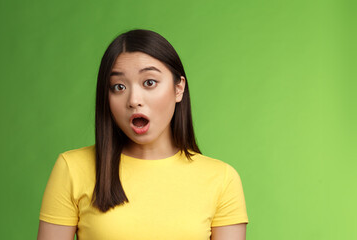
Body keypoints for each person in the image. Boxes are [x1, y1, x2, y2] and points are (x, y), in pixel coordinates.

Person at [37, 29, 248, 240]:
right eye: (118, 87)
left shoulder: (222, 180)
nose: (133, 100)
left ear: (178, 89)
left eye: (149, 82)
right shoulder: (72, 168)